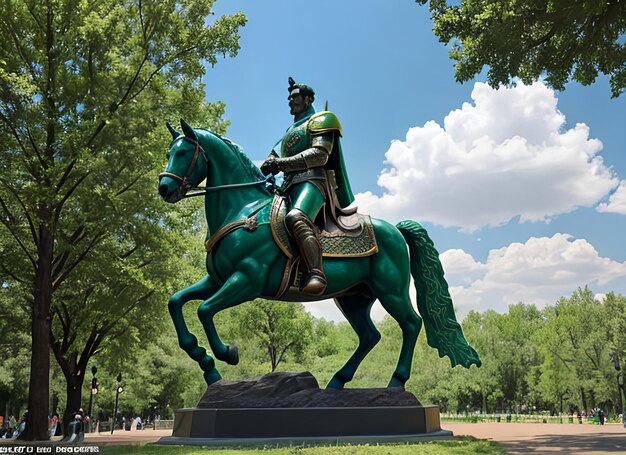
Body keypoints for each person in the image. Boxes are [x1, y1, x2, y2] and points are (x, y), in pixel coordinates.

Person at [261, 77, 355, 295]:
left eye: (294, 97)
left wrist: (280, 163)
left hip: (312, 182)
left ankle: (316, 272)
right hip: (286, 186)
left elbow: (319, 155)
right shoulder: (288, 132)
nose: (290, 101)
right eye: (289, 98)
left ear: (308, 99)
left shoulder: (322, 119)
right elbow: (275, 154)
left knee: (296, 217)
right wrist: (269, 163)